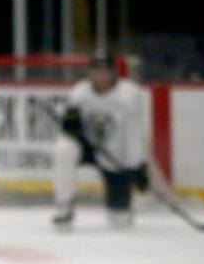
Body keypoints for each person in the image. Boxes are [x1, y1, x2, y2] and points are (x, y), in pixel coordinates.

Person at [52, 53, 149, 229]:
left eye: (106, 71)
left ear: (114, 73)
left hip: (115, 156)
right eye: (96, 71)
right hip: (88, 148)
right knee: (64, 148)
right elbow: (69, 128)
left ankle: (123, 206)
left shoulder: (129, 95)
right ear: (89, 73)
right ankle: (64, 207)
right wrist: (71, 127)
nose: (101, 76)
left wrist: (137, 165)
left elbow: (134, 134)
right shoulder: (79, 92)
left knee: (120, 221)